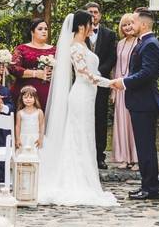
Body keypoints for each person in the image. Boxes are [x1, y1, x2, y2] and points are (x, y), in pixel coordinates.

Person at [38, 11, 117, 206]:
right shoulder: (74, 47)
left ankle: (86, 178)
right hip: (81, 95)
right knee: (78, 136)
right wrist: (111, 83)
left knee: (86, 136)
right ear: (82, 26)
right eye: (91, 23)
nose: (93, 26)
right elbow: (84, 74)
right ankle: (76, 180)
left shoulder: (84, 45)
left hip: (89, 96)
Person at [111, 10, 159, 201]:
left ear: (143, 24)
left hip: (145, 102)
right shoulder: (144, 42)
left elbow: (148, 73)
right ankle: (147, 186)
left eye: (133, 21)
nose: (130, 25)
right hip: (139, 102)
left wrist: (124, 82)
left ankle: (151, 189)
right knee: (143, 147)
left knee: (146, 147)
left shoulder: (150, 44)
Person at [85, 2, 117, 169]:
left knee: (100, 119)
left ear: (100, 15)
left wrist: (97, 73)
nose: (93, 15)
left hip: (101, 83)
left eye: (95, 12)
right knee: (84, 119)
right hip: (83, 84)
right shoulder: (78, 34)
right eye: (89, 12)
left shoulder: (109, 34)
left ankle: (99, 156)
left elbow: (112, 57)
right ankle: (84, 155)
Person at [9, 18, 55, 114]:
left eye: (46, 29)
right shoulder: (22, 48)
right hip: (25, 94)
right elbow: (13, 68)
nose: (44, 31)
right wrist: (36, 73)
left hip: (48, 94)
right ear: (32, 32)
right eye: (40, 29)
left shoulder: (54, 50)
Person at [110, 13, 139, 169]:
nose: (127, 27)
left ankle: (136, 158)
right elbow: (115, 67)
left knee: (133, 122)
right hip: (120, 86)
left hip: (133, 85)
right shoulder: (120, 43)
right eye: (124, 25)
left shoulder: (139, 42)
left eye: (130, 24)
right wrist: (114, 90)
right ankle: (123, 157)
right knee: (120, 121)